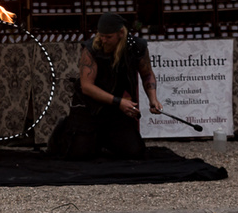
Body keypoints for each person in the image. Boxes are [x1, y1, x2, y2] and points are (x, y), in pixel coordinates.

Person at [55, 12, 162, 160]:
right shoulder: (91, 48)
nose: (103, 40)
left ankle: (107, 140)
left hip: (116, 111)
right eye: (101, 35)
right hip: (90, 108)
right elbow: (87, 87)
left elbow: (147, 74)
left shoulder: (137, 47)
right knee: (80, 155)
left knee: (134, 152)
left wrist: (153, 99)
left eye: (108, 37)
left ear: (121, 33)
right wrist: (119, 102)